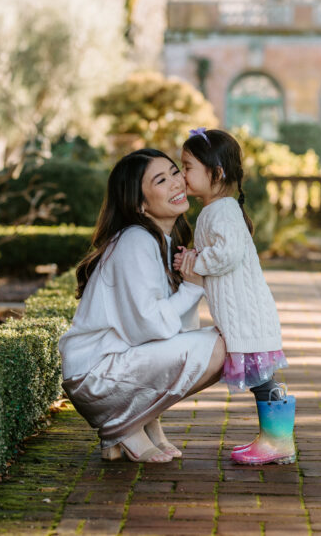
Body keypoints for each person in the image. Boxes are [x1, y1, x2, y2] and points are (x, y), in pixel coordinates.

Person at [58, 148, 226, 463]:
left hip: (109, 369)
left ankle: (144, 423)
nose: (177, 183)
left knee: (221, 344)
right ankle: (122, 426)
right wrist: (191, 288)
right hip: (97, 375)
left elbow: (177, 332)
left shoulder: (158, 240)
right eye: (161, 180)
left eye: (176, 172)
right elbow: (149, 329)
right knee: (221, 347)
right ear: (140, 204)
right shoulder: (136, 241)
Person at [175, 128, 296, 465]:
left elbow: (225, 253)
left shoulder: (222, 211)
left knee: (262, 380)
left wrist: (196, 260)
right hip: (241, 314)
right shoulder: (217, 210)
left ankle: (279, 441)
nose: (181, 174)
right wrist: (195, 257)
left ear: (216, 173)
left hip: (246, 314)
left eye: (187, 167)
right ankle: (273, 439)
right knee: (261, 379)